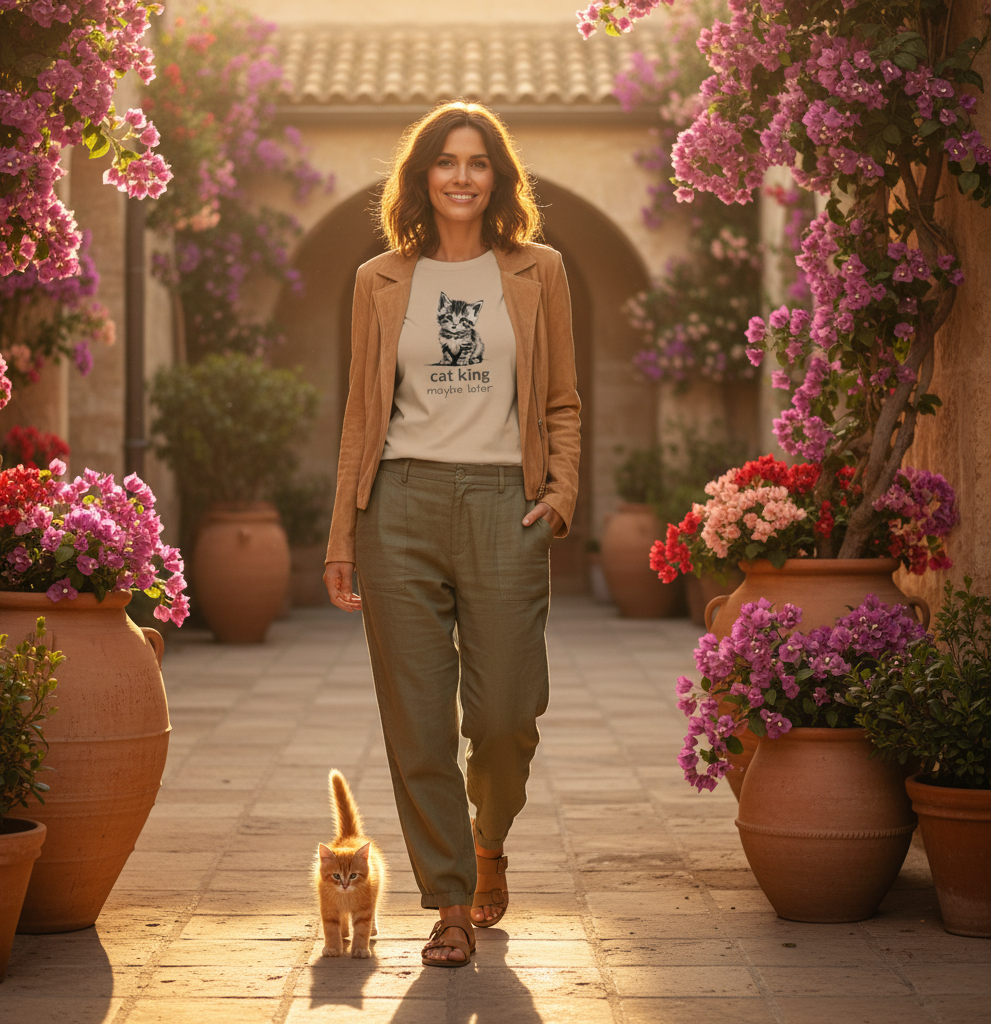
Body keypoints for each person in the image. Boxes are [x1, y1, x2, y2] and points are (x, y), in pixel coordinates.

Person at [323, 101, 580, 968]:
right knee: (417, 720)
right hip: (399, 502)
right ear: (422, 177)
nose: (462, 176)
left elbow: (561, 403)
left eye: (478, 162)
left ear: (497, 177)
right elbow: (362, 415)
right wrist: (341, 537)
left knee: (507, 712)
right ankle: (449, 903)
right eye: (446, 161)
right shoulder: (379, 279)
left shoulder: (539, 271)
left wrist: (561, 492)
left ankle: (488, 837)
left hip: (506, 505)